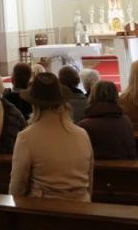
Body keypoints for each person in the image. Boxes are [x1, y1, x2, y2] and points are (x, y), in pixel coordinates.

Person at [9, 73, 93, 202]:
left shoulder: (26, 137)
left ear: (34, 105)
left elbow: (17, 189)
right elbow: (89, 182)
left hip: (43, 209)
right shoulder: (82, 134)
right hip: (82, 206)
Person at [77, 80, 136, 159]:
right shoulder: (126, 121)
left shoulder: (84, 125)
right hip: (127, 165)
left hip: (96, 166)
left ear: (93, 96)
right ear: (116, 96)